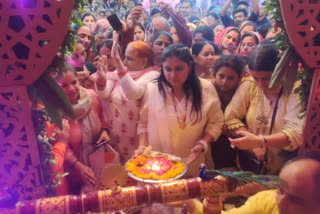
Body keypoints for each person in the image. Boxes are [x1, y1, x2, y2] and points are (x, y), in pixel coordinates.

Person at [136, 44, 224, 177]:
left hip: (193, 160)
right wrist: (142, 147)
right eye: (168, 69)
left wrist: (203, 142)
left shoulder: (205, 88)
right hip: (158, 165)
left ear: (189, 66)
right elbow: (143, 123)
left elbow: (217, 122)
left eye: (179, 69)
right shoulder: (154, 89)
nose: (173, 75)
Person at [225, 40, 305, 174]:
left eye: (267, 78)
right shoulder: (250, 84)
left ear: (281, 70)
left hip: (284, 167)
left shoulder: (295, 88)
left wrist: (260, 141)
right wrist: (253, 144)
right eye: (256, 78)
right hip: (251, 163)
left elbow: (295, 133)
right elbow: (231, 117)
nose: (261, 84)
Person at [187, 152, 320, 214]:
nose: (281, 201)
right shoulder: (268, 200)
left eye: (295, 200)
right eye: (280, 189)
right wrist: (190, 203)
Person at [94, 38, 159, 163]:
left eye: (129, 58)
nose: (124, 62)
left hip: (139, 140)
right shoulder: (118, 73)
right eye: (123, 57)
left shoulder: (152, 75)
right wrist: (101, 81)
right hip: (116, 138)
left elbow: (133, 93)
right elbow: (104, 93)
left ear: (143, 62)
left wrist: (118, 63)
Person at [57, 67, 110, 194]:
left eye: (74, 82)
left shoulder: (91, 96)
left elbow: (104, 117)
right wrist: (79, 167)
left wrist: (104, 131)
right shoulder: (55, 111)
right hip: (74, 172)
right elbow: (59, 144)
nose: (71, 89)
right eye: (64, 85)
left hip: (98, 162)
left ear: (79, 80)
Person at [211, 55, 245, 169]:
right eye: (221, 76)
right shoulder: (208, 89)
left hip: (233, 143)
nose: (224, 82)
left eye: (231, 78)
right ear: (214, 74)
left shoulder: (242, 92)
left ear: (239, 78)